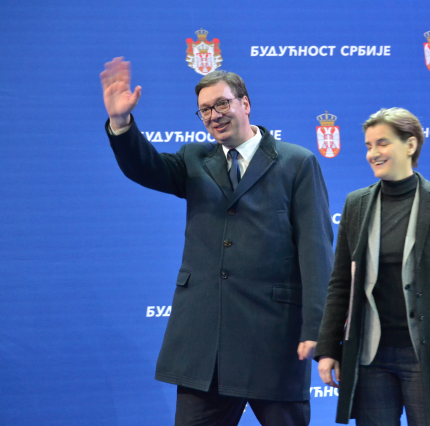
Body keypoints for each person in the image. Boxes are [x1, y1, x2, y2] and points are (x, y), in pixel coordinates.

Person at [100, 57, 334, 426]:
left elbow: (316, 251)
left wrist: (319, 328)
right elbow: (145, 167)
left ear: (245, 103)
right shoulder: (194, 159)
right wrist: (120, 123)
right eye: (205, 109)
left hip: (272, 340)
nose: (214, 115)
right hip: (205, 345)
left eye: (222, 103)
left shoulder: (296, 163)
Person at [315, 107, 430, 426]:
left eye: (382, 143)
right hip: (369, 355)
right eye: (368, 146)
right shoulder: (356, 203)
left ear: (411, 145)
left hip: (427, 354)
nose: (373, 153)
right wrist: (328, 348)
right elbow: (340, 286)